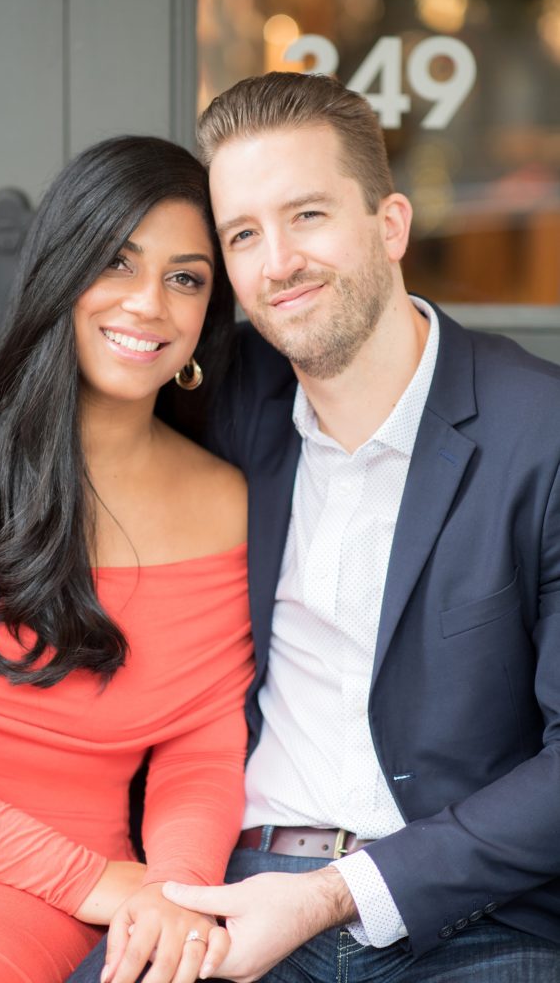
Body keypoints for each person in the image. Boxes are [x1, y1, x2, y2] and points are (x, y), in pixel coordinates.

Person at [70, 72, 560, 983]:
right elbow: (61, 402)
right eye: (242, 235)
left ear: (390, 224)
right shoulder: (222, 403)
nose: (277, 262)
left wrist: (335, 894)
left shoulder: (541, 435)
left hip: (465, 918)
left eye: (307, 215)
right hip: (228, 890)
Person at [0, 135, 254, 983]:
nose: (148, 304)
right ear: (59, 269)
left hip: (50, 911)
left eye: (186, 279)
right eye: (116, 262)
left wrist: (174, 891)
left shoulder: (223, 507)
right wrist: (90, 881)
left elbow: (199, 750)